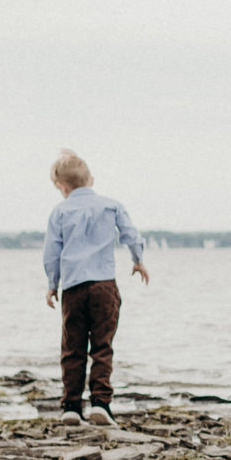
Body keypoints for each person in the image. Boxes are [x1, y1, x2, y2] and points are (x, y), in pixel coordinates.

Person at [43, 149, 149, 426]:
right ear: (90, 179)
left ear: (61, 187)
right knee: (102, 345)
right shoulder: (110, 205)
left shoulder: (60, 212)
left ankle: (71, 406)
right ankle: (100, 402)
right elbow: (131, 235)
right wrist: (138, 260)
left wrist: (52, 284)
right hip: (103, 285)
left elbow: (52, 252)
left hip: (74, 288)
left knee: (72, 347)